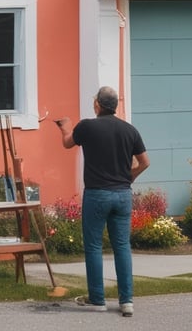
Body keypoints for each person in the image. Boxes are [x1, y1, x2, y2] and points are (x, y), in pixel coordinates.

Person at [56, 86, 150, 317]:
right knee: (122, 247)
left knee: (94, 246)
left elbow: (68, 143)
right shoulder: (130, 130)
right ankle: (126, 301)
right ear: (115, 105)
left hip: (97, 194)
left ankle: (97, 299)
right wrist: (130, 176)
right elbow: (145, 162)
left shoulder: (87, 126)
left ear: (97, 104)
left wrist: (65, 127)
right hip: (122, 195)